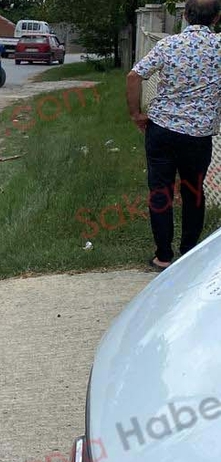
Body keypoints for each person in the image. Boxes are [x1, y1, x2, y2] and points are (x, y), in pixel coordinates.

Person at [126, 0, 221, 271]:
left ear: (186, 16)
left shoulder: (168, 45)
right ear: (216, 18)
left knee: (160, 191)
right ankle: (189, 257)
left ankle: (163, 256)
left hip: (162, 131)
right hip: (198, 136)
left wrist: (136, 114)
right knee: (194, 192)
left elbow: (134, 77)